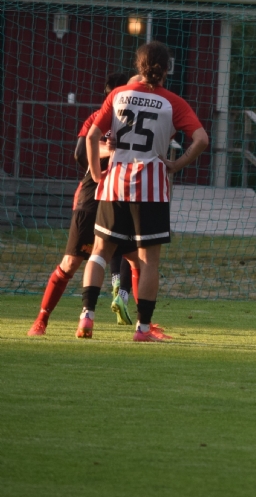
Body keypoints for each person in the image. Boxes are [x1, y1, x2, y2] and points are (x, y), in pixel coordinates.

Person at [78, 41, 209, 342]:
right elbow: (201, 139)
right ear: (167, 69)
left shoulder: (118, 94)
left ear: (138, 65)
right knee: (149, 261)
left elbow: (93, 136)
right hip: (151, 189)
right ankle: (143, 329)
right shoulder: (172, 102)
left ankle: (87, 316)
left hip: (115, 184)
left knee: (100, 252)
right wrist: (177, 164)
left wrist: (97, 175)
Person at [27, 73, 136, 336]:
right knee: (73, 262)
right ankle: (43, 319)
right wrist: (107, 153)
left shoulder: (131, 121)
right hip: (96, 194)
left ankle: (138, 321)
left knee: (137, 258)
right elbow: (81, 152)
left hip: (119, 195)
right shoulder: (102, 119)